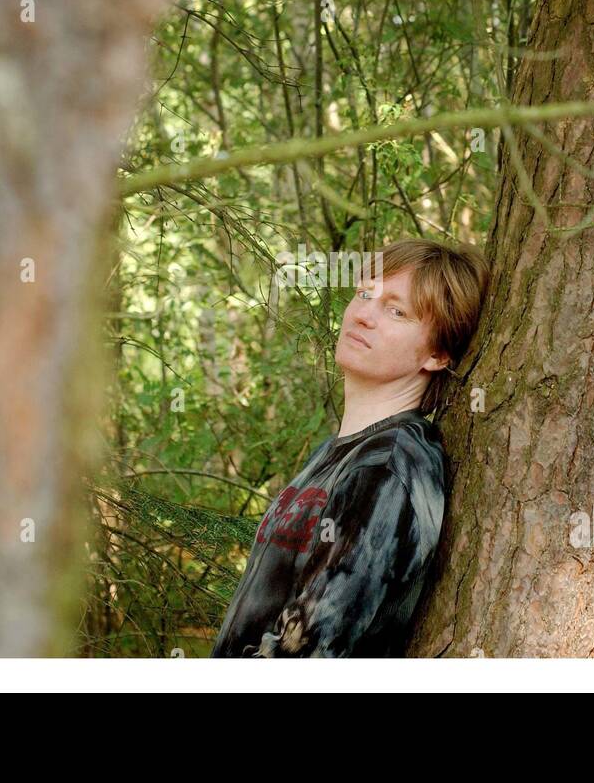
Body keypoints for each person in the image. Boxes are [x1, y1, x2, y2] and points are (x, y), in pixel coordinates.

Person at [210, 238, 490, 657]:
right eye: (364, 294)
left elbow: (306, 653)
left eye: (396, 311)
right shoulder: (337, 454)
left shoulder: (389, 466)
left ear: (437, 353)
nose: (363, 315)